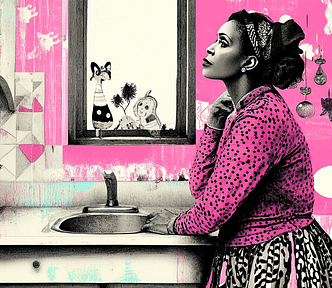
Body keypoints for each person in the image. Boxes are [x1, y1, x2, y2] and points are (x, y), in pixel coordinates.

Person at [142, 9, 332, 287]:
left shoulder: (259, 119)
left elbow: (212, 212)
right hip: (253, 253)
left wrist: (173, 224)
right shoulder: (248, 112)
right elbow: (202, 190)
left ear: (249, 62)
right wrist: (215, 123)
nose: (210, 48)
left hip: (274, 259)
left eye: (223, 42)